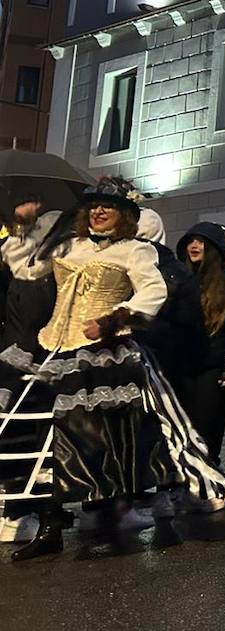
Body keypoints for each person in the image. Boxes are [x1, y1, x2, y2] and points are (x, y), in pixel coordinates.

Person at [0, 179, 225, 558]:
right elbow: (24, 269)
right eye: (94, 206)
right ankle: (51, 526)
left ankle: (106, 517)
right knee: (47, 438)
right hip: (55, 350)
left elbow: (153, 293)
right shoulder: (69, 245)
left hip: (103, 356)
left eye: (108, 206)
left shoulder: (134, 251)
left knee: (98, 441)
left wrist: (113, 320)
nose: (100, 212)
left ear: (124, 215)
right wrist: (22, 229)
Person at [166, 223, 225, 472]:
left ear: (212, 247)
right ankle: (185, 477)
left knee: (207, 425)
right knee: (182, 426)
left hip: (213, 366)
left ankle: (207, 473)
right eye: (190, 240)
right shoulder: (182, 278)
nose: (194, 245)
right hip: (183, 366)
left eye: (200, 241)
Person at [0, 198, 59, 549]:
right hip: (18, 364)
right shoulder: (25, 272)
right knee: (16, 438)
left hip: (31, 366)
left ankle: (24, 512)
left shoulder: (46, 275)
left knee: (27, 439)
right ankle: (16, 510)